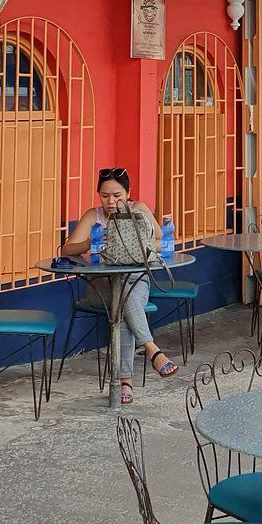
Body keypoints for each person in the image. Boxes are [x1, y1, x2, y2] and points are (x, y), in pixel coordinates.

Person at [60, 167, 177, 405]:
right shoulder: (93, 216)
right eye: (105, 196)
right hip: (101, 285)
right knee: (123, 302)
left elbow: (163, 242)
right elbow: (67, 249)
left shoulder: (139, 210)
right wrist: (90, 243)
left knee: (123, 304)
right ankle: (151, 350)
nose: (111, 202)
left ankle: (126, 381)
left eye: (117, 195)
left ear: (128, 193)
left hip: (136, 279)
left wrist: (136, 243)